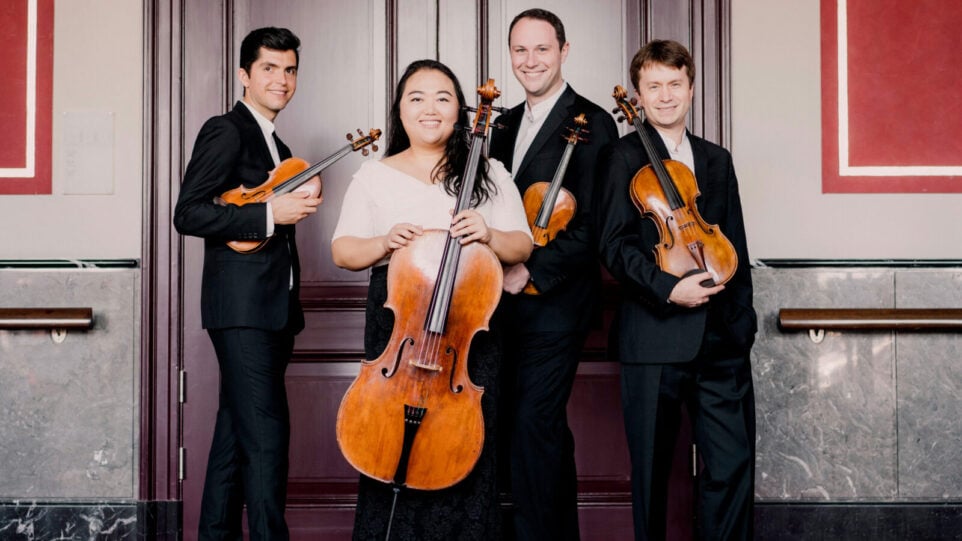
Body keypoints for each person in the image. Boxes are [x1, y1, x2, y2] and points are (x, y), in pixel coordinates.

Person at [331, 59, 532, 540]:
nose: (429, 108)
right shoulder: (374, 175)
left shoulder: (488, 171)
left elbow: (522, 245)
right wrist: (384, 242)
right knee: (389, 442)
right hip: (398, 328)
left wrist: (488, 232)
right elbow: (343, 251)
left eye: (442, 98)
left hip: (467, 331)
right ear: (400, 109)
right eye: (416, 97)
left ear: (460, 111)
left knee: (464, 449)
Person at [594, 40, 757, 540]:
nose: (665, 96)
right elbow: (614, 246)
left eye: (674, 85)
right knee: (651, 476)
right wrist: (670, 289)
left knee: (731, 468)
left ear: (691, 88)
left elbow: (734, 244)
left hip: (719, 342)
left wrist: (742, 325)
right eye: (653, 87)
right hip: (654, 337)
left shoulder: (716, 159)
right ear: (638, 96)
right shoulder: (620, 156)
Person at [173, 27, 321, 541]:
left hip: (271, 311)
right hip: (241, 312)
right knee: (266, 439)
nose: (281, 80)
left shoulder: (276, 142)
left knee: (236, 437)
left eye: (289, 69)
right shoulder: (227, 129)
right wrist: (268, 212)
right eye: (268, 68)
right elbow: (187, 212)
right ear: (244, 75)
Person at [487, 8, 618, 540]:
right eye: (520, 49)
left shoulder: (594, 123)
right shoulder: (502, 125)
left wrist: (530, 272)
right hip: (495, 304)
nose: (530, 60)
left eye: (542, 49)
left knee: (532, 425)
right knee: (521, 431)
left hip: (554, 304)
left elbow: (593, 224)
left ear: (564, 51)